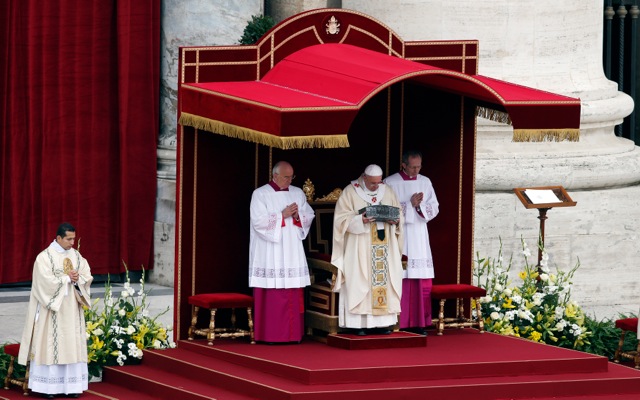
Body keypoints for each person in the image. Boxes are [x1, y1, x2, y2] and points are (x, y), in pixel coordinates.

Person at [18, 222, 93, 399]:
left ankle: (72, 386)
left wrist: (77, 279)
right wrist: (66, 279)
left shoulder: (76, 255)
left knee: (71, 345)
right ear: (58, 238)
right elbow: (42, 282)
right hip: (52, 310)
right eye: (69, 239)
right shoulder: (44, 257)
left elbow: (86, 274)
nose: (72, 242)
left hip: (72, 309)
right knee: (51, 345)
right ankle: (49, 388)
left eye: (74, 238)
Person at [331, 164, 404, 335]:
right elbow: (340, 220)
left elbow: (399, 213)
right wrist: (359, 220)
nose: (376, 186)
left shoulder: (387, 191)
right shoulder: (350, 191)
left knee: (385, 280)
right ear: (364, 177)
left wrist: (396, 221)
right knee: (360, 279)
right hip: (360, 244)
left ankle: (383, 323)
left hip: (384, 244)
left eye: (378, 183)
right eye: (372, 183)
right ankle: (359, 324)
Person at [248, 161, 315, 343]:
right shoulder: (260, 194)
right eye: (286, 177)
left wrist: (297, 216)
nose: (289, 180)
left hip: (291, 248)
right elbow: (258, 222)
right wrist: (282, 215)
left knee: (292, 289)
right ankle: (271, 334)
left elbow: (308, 215)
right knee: (273, 293)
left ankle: (293, 335)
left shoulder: (297, 193)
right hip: (270, 250)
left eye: (291, 176)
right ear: (274, 176)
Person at [384, 150, 439, 335]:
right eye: (413, 167)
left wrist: (419, 206)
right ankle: (398, 321)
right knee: (402, 276)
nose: (416, 170)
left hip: (419, 235)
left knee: (419, 276)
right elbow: (385, 210)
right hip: (400, 235)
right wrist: (408, 204)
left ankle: (420, 323)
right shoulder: (390, 183)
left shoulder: (425, 181)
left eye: (419, 166)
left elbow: (434, 206)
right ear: (404, 165)